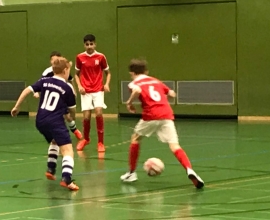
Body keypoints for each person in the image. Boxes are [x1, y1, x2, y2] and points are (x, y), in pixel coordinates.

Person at [121, 58, 204, 188]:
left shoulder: (134, 83)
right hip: (166, 114)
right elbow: (172, 93)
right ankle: (189, 169)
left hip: (151, 115)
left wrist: (129, 103)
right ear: (146, 71)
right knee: (174, 145)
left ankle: (131, 173)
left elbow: (137, 91)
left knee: (135, 138)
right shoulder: (156, 81)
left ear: (131, 73)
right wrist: (163, 99)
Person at [11, 57, 80, 192]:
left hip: (40, 121)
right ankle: (66, 178)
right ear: (65, 71)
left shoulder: (45, 81)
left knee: (54, 141)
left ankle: (50, 169)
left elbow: (27, 90)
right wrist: (72, 117)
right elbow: (72, 109)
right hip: (55, 122)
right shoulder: (67, 88)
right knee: (68, 150)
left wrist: (17, 106)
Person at [74, 34, 111, 154]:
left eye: (91, 44)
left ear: (95, 44)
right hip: (85, 91)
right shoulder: (80, 57)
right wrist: (79, 86)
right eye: (87, 44)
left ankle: (100, 142)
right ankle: (86, 139)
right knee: (86, 116)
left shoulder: (101, 57)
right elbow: (76, 74)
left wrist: (106, 84)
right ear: (84, 45)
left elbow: (108, 73)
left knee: (99, 112)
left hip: (98, 89)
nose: (89, 46)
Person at [40, 51, 83, 141]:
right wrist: (36, 92)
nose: (54, 61)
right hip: (54, 100)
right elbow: (41, 84)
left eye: (57, 59)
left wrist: (74, 91)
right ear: (50, 61)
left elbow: (70, 80)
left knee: (69, 116)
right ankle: (68, 132)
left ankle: (73, 129)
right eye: (52, 59)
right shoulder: (47, 72)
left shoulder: (64, 70)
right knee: (60, 116)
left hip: (63, 96)